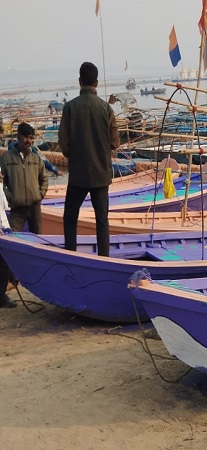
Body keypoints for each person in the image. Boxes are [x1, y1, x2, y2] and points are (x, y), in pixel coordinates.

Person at [58, 62, 120, 257]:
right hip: (101, 175)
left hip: (78, 174)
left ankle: (71, 255)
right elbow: (114, 142)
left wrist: (74, 155)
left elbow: (64, 143)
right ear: (97, 83)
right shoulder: (106, 109)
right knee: (102, 220)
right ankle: (104, 258)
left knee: (70, 217)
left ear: (80, 81)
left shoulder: (69, 108)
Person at [0, 122, 49, 308]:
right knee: (7, 249)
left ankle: (40, 285)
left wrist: (40, 194)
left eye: (31, 138)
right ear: (18, 136)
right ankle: (3, 292)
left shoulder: (36, 159)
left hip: (35, 209)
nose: (28, 141)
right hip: (17, 211)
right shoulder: (6, 159)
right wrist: (10, 198)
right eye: (25, 137)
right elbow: (2, 183)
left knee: (39, 247)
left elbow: (44, 179)